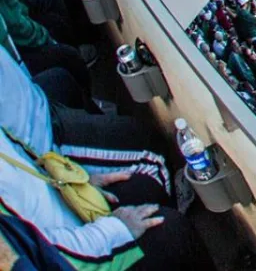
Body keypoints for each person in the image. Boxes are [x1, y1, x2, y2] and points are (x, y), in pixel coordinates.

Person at [0, 44, 208, 270]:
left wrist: (69, 179)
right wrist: (115, 231)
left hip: (58, 200)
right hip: (73, 252)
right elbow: (47, 258)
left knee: (143, 187)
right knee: (171, 232)